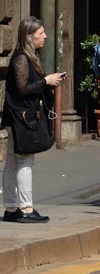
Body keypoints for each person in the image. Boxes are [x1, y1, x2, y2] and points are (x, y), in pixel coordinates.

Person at [2, 16, 63, 223]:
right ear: (29, 37)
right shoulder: (21, 58)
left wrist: (48, 83)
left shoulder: (27, 56)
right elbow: (22, 88)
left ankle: (11, 209)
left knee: (12, 161)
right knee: (25, 160)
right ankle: (26, 209)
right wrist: (46, 81)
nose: (44, 36)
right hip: (22, 119)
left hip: (18, 118)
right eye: (40, 33)